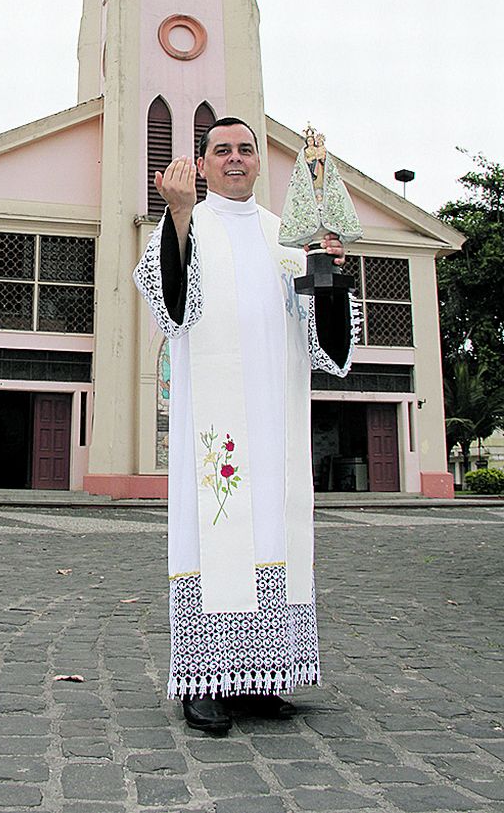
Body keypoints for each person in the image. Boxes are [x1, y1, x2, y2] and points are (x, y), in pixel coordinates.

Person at [133, 117, 358, 734]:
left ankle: (260, 678)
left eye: (245, 149)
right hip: (215, 428)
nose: (235, 158)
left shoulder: (286, 239)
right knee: (213, 541)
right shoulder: (186, 225)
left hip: (275, 421)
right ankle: (203, 680)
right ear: (200, 166)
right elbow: (174, 309)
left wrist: (331, 273)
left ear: (260, 163)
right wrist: (177, 216)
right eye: (221, 150)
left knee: (271, 539)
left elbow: (328, 346)